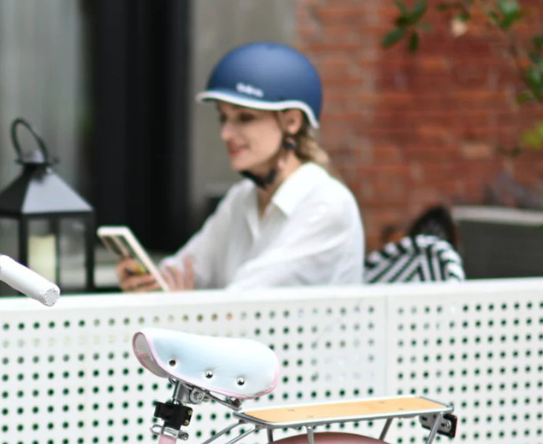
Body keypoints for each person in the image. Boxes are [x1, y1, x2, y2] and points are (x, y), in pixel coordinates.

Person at [116, 41, 365, 292]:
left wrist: (183, 302)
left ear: (291, 121)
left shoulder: (327, 204)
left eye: (245, 118)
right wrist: (149, 282)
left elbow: (243, 305)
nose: (226, 133)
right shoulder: (242, 197)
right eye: (223, 118)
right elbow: (186, 270)